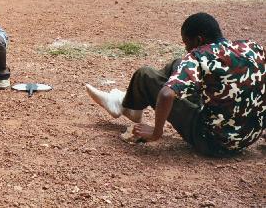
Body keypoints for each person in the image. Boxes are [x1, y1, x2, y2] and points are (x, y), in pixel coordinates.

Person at [86, 12, 265, 156]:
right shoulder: (253, 48)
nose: (186, 49)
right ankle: (130, 104)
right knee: (177, 64)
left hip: (213, 142)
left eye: (187, 43)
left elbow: (166, 94)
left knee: (145, 75)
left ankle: (126, 106)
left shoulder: (199, 56)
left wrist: (156, 132)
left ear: (199, 40)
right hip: (249, 136)